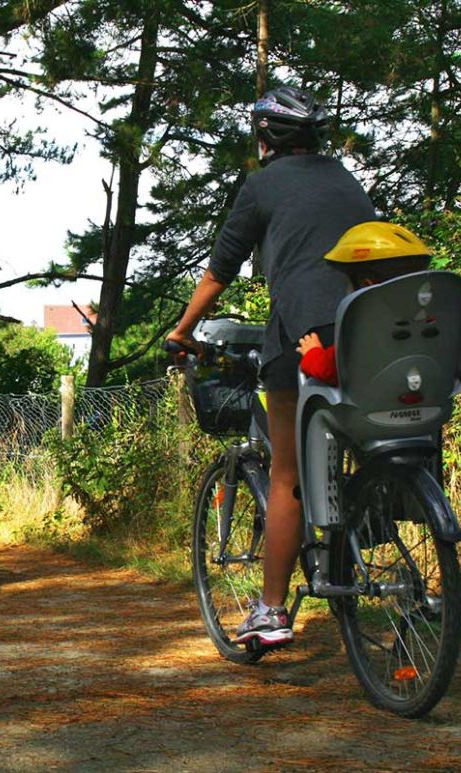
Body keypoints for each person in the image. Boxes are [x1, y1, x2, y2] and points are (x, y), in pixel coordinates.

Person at [167, 86, 376, 646]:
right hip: (369, 325)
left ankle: (272, 611)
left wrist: (183, 331)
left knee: (287, 473)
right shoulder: (344, 178)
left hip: (301, 329)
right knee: (365, 433)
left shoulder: (261, 186)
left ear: (265, 139)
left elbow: (219, 271)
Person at [297, 221, 435, 386]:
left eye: (347, 283)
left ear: (366, 286)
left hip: (370, 407)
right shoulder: (431, 325)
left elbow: (329, 369)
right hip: (429, 404)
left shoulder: (365, 331)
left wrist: (312, 352)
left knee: (313, 385)